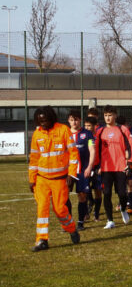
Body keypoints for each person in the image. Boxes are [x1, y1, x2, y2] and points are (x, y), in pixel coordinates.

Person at [29, 106, 81, 251]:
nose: (42, 123)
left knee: (59, 209)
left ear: (51, 118)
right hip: (42, 179)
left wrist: (72, 174)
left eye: (45, 120)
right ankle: (42, 240)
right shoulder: (37, 134)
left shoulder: (63, 130)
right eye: (40, 121)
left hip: (60, 179)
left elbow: (73, 153)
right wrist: (32, 179)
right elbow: (34, 158)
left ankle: (71, 229)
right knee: (42, 209)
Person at [95, 104, 132, 229]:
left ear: (115, 116)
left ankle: (123, 208)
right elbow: (96, 149)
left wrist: (129, 163)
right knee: (106, 193)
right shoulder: (100, 131)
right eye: (105, 115)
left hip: (120, 167)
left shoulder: (122, 129)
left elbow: (130, 147)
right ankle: (110, 220)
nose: (108, 118)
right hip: (106, 168)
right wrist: (97, 165)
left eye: (110, 115)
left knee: (122, 194)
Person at [66, 110, 96, 230]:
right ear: (68, 121)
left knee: (82, 196)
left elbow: (92, 150)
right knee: (64, 197)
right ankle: (68, 222)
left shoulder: (87, 134)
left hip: (82, 170)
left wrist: (89, 167)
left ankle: (80, 222)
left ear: (80, 120)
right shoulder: (65, 133)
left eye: (76, 119)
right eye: (72, 120)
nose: (74, 122)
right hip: (68, 171)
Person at [84, 115, 103, 221]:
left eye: (89, 126)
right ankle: (86, 211)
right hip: (86, 167)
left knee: (98, 191)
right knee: (85, 190)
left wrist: (101, 166)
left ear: (95, 126)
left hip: (97, 167)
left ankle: (96, 214)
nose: (87, 128)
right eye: (85, 126)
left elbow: (103, 153)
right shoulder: (83, 137)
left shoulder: (99, 138)